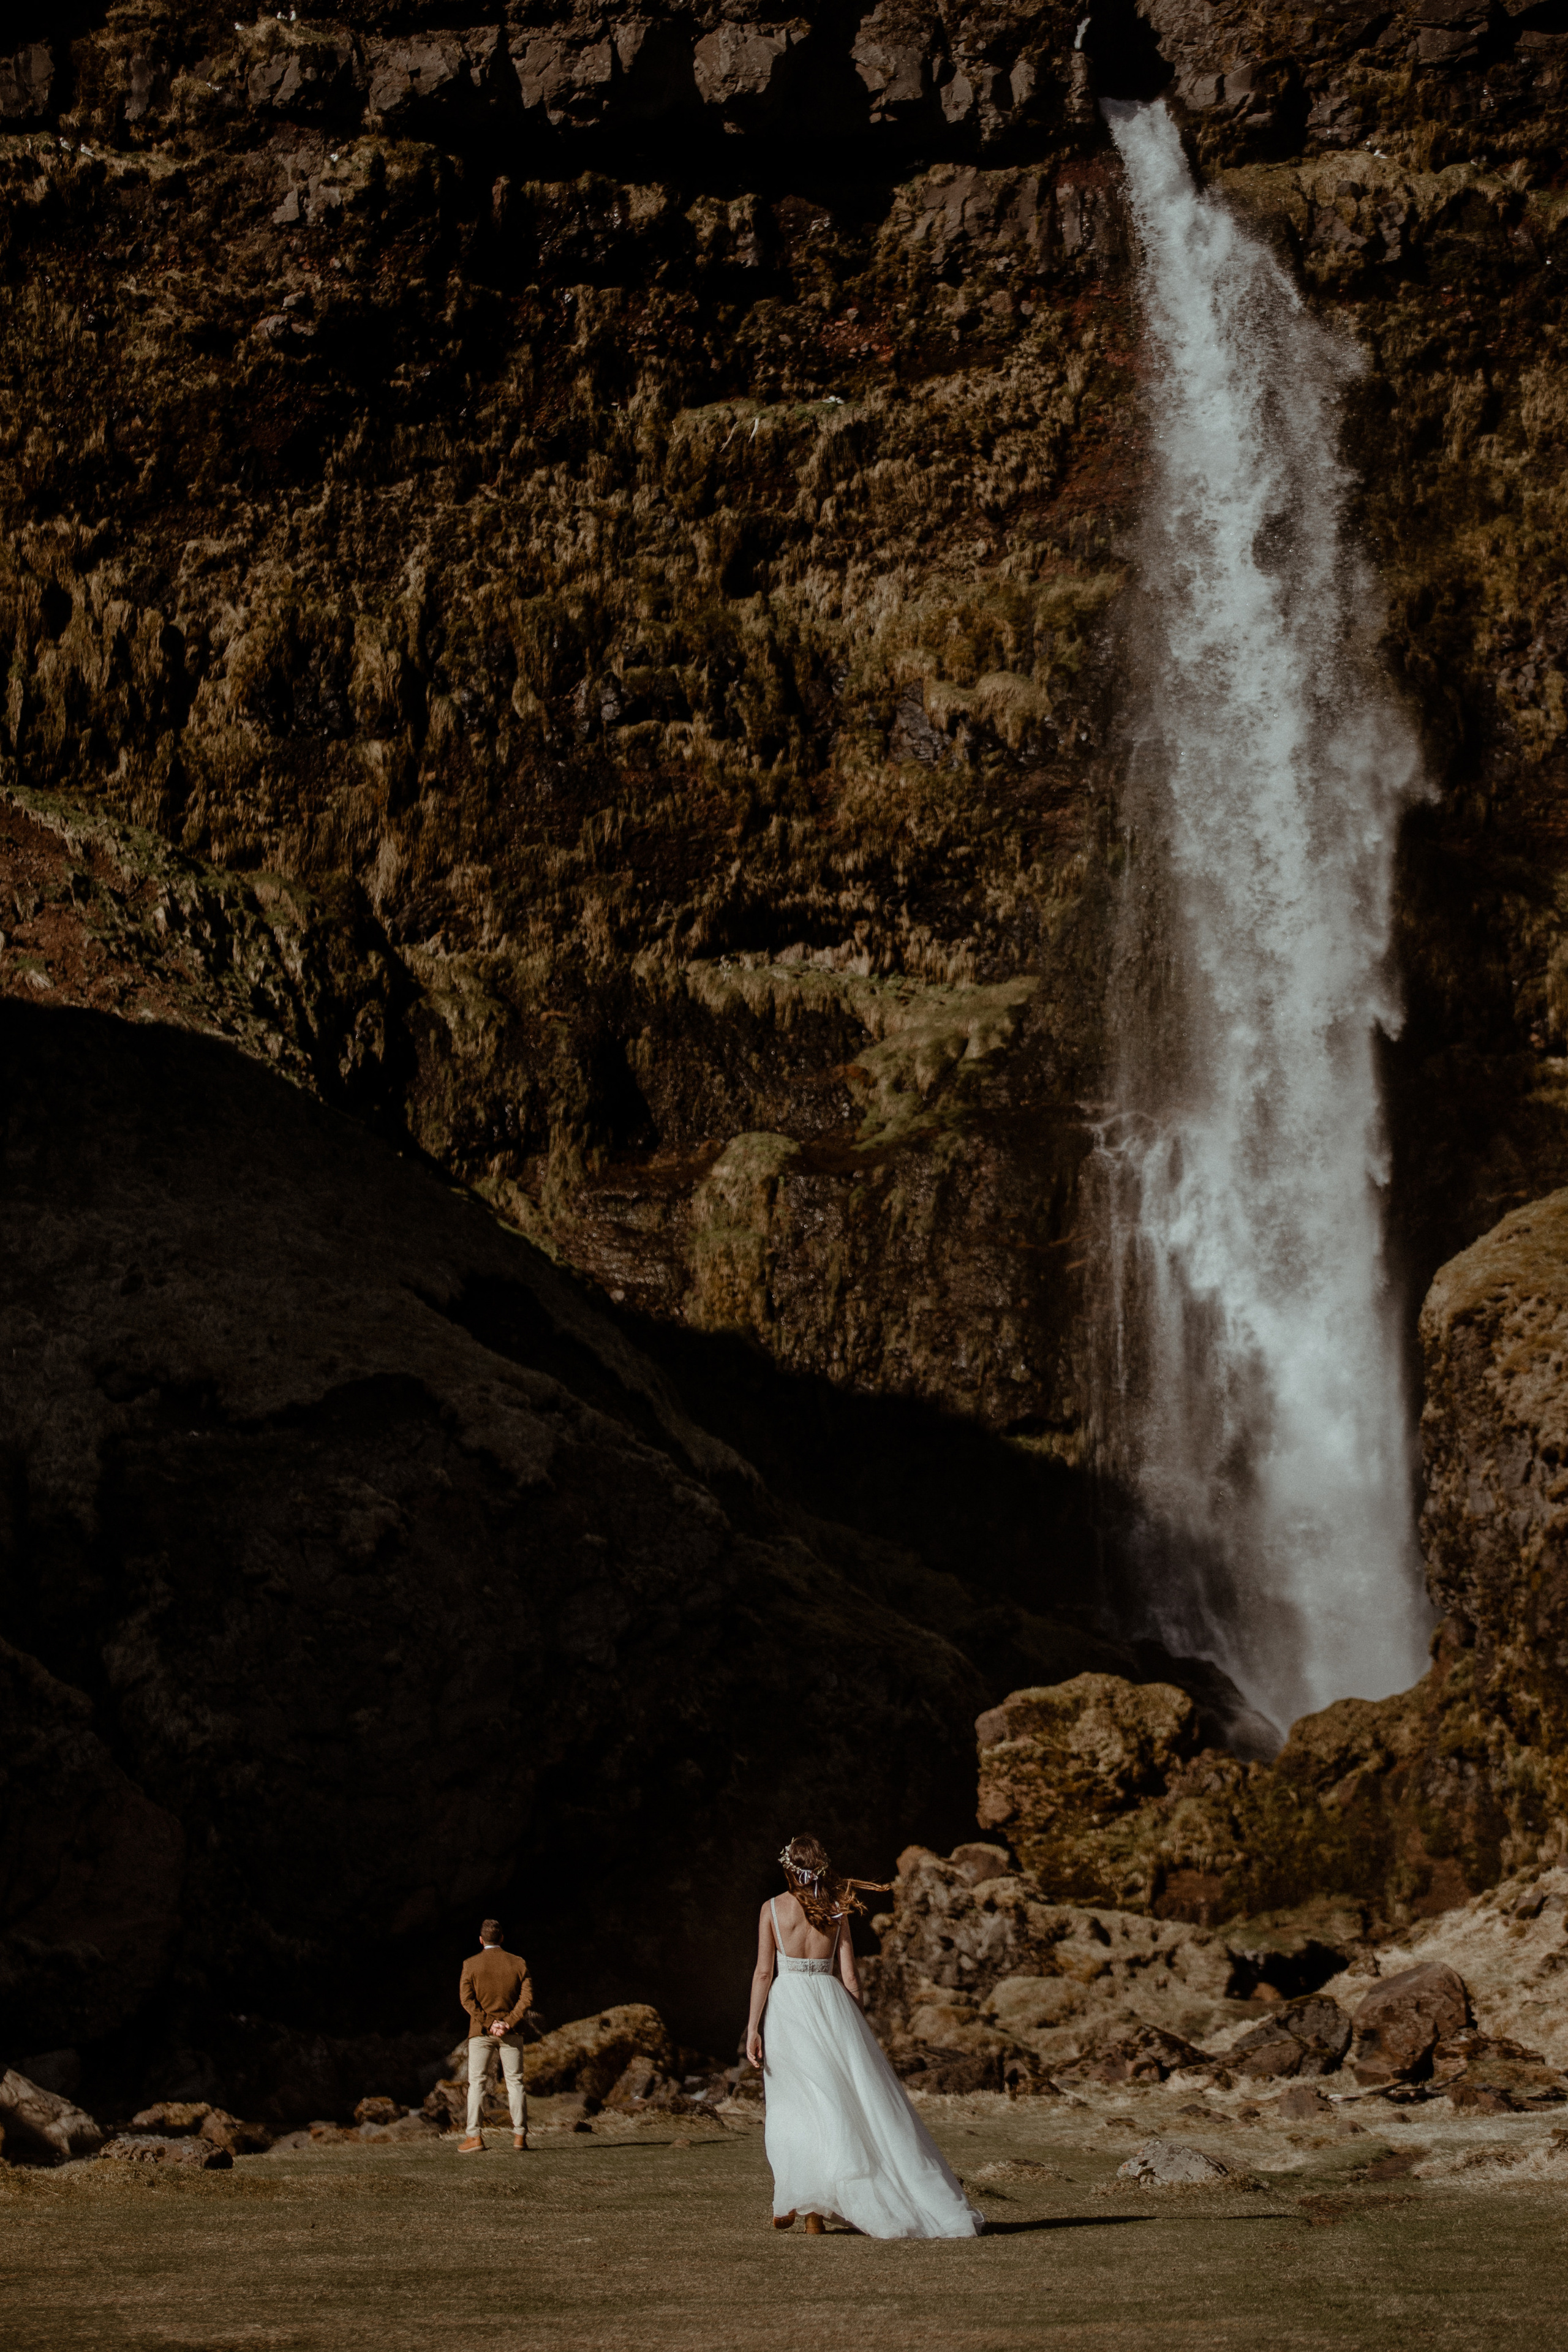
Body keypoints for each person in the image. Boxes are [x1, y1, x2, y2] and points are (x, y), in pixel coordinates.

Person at [745, 1833, 984, 2239]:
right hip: (831, 2001)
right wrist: (856, 2029)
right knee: (837, 2104)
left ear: (789, 1868)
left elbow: (765, 1973)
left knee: (795, 2106)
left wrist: (752, 2027)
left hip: (787, 2009)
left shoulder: (771, 1909)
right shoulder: (836, 1909)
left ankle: (803, 2203)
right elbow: (850, 1976)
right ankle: (811, 2204)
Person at [457, 1917, 533, 2153]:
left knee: (477, 2084)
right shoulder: (518, 1963)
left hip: (480, 2032)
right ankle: (519, 2136)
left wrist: (490, 2023)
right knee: (515, 2082)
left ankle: (474, 2137)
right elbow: (527, 1999)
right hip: (512, 2032)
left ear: (481, 1940)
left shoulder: (470, 1964)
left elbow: (467, 2000)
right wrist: (508, 2023)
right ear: (502, 1938)